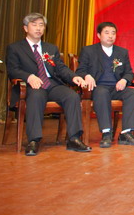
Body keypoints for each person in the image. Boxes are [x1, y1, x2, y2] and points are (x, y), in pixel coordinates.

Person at [5, 13, 91, 156]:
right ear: (25, 28)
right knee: (36, 96)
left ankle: (74, 139)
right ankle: (34, 140)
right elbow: (13, 70)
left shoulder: (51, 48)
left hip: (52, 84)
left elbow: (61, 68)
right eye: (34, 25)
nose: (38, 28)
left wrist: (74, 77)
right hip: (32, 85)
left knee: (72, 96)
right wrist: (29, 77)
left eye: (41, 25)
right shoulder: (15, 48)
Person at [76, 22, 134, 148]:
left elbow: (129, 73)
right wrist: (87, 76)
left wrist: (124, 80)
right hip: (98, 87)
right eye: (106, 33)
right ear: (98, 35)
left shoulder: (122, 52)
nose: (110, 36)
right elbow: (80, 71)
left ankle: (126, 133)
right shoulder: (88, 50)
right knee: (102, 92)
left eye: (113, 33)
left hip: (117, 88)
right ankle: (106, 133)